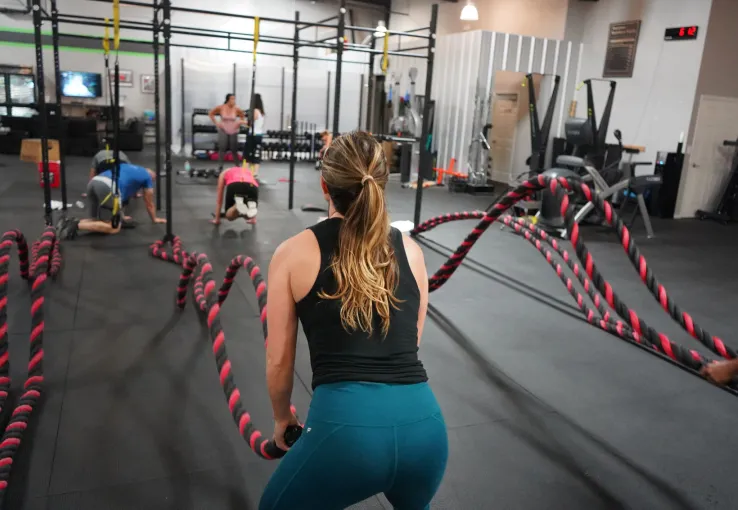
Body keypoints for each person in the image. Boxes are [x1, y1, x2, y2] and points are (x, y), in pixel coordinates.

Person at [260, 131, 447, 510]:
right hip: (426, 432)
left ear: (324, 185)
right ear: (381, 183)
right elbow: (411, 344)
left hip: (348, 435)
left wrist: (282, 418)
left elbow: (279, 360)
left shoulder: (292, 253)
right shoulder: (411, 251)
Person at [57, 163, 166, 239]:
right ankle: (76, 225)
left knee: (98, 220)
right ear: (152, 176)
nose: (152, 182)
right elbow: (149, 203)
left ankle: (68, 222)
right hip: (108, 187)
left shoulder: (130, 168)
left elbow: (123, 195)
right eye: (153, 180)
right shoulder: (147, 178)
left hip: (94, 182)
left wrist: (121, 216)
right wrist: (154, 218)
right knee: (114, 228)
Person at [209, 94, 248, 171]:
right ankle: (220, 167)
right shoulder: (221, 107)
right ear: (228, 100)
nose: (233, 100)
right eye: (232, 99)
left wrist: (238, 124)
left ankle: (237, 167)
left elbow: (242, 116)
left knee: (234, 149)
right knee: (222, 149)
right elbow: (211, 113)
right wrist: (216, 123)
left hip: (233, 130)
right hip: (223, 129)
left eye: (234, 99)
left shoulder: (237, 108)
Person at [245, 93, 265, 179]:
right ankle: (254, 172)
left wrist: (241, 122)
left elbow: (249, 124)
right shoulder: (261, 112)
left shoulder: (255, 111)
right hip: (259, 135)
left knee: (248, 153)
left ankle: (245, 171)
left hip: (253, 135)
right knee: (256, 153)